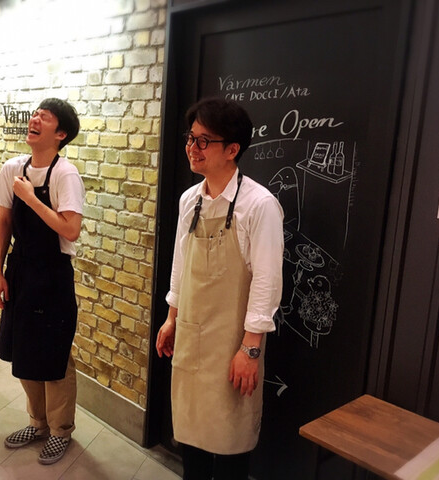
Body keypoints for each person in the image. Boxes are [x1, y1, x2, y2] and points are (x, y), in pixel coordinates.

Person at [156, 97, 284, 480]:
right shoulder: (189, 200)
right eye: (190, 138)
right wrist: (171, 317)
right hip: (191, 336)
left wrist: (250, 349)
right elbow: (180, 264)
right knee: (191, 440)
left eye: (204, 141)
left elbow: (267, 282)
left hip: (232, 344)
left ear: (232, 149)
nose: (192, 148)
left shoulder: (259, 205)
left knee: (231, 441)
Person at [0, 98, 83, 465]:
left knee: (54, 354)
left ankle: (61, 431)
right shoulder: (13, 168)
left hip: (53, 273)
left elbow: (70, 230)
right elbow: (4, 222)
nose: (35, 119)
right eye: (35, 114)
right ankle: (38, 424)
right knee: (23, 347)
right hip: (21, 269)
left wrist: (30, 197)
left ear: (60, 134)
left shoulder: (65, 174)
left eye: (45, 117)